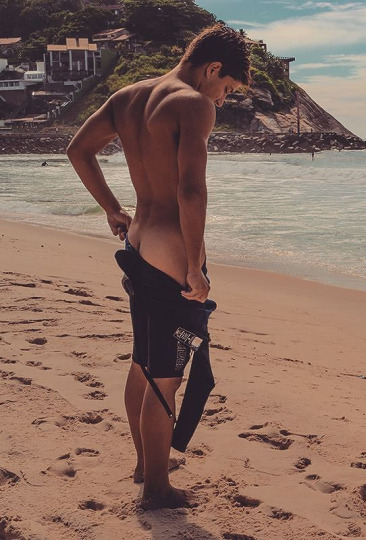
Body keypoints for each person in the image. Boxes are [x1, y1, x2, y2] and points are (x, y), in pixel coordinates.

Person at [67, 25, 251, 510]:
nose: (223, 98)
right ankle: (157, 487)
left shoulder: (127, 96)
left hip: (138, 239)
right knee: (166, 373)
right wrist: (195, 266)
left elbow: (78, 150)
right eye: (227, 87)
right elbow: (190, 190)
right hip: (170, 249)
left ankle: (144, 465)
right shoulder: (194, 104)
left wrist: (112, 209)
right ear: (212, 68)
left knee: (143, 360)